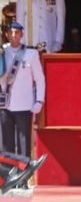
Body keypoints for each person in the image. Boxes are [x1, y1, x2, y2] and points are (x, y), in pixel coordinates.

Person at [0, 22, 45, 163]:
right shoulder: (2, 51)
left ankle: (24, 178)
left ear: (22, 34)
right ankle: (10, 177)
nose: (14, 36)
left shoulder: (30, 54)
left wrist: (39, 100)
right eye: (11, 33)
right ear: (7, 34)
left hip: (24, 105)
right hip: (5, 105)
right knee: (6, 145)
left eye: (17, 33)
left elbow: (39, 79)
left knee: (24, 143)